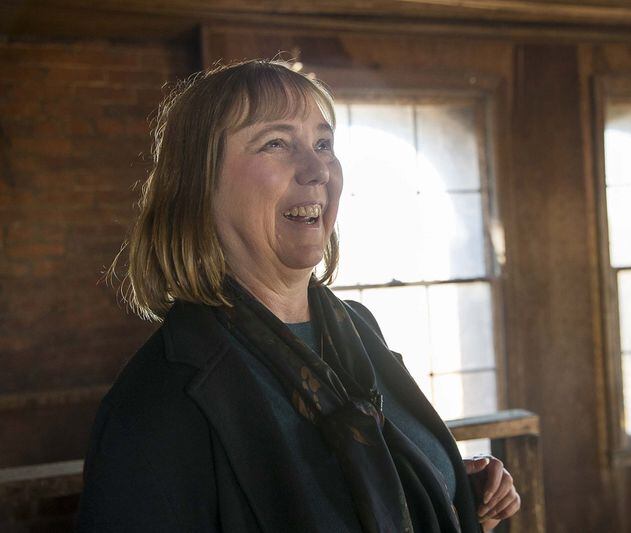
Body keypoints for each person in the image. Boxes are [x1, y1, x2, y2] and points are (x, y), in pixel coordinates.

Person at [77, 59, 521, 532]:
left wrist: (449, 497)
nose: (317, 171)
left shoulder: (357, 329)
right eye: (276, 143)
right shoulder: (158, 403)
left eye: (324, 144)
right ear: (198, 183)